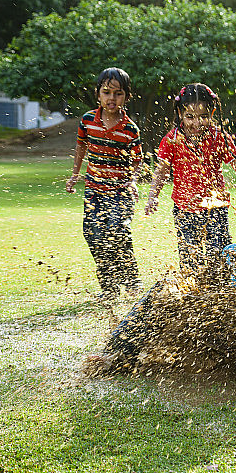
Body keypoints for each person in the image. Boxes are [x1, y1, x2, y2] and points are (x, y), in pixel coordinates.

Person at [97, 188, 236, 371]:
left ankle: (121, 354)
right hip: (222, 321)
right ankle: (118, 349)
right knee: (164, 290)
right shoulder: (231, 252)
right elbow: (210, 284)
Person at [145, 83, 236, 272]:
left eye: (203, 117)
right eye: (190, 117)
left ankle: (221, 293)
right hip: (185, 209)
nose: (196, 123)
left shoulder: (218, 137)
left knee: (219, 256)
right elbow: (162, 170)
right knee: (189, 258)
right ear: (180, 114)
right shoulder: (172, 139)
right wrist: (153, 195)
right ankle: (192, 293)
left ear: (212, 114)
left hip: (215, 207)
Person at [66, 67, 142, 303]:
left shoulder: (130, 129)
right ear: (98, 94)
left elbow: (137, 160)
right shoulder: (88, 120)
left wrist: (133, 181)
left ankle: (131, 280)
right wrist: (74, 174)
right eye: (106, 92)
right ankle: (108, 286)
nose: (112, 98)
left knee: (118, 230)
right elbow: (81, 147)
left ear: (126, 97)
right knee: (93, 234)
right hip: (94, 190)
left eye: (118, 93)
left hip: (121, 192)